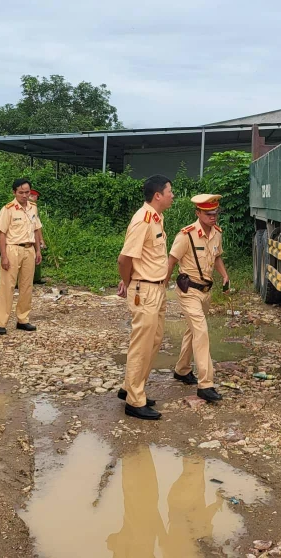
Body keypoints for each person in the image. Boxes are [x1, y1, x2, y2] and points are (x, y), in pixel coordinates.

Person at [116, 175, 174, 420]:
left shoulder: (156, 218)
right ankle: (134, 401)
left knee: (153, 341)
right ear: (157, 195)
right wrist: (129, 282)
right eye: (170, 191)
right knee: (141, 344)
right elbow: (124, 258)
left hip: (156, 288)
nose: (173, 195)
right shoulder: (143, 220)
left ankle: (132, 387)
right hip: (145, 289)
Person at [167, 194, 229, 403]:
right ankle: (206, 384)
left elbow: (217, 256)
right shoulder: (186, 235)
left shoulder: (217, 234)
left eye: (215, 213)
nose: (213, 217)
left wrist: (225, 275)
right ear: (198, 213)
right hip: (188, 291)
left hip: (206, 292)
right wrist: (161, 286)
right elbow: (171, 261)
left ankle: (182, 370)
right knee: (201, 331)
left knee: (192, 331)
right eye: (208, 214)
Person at [0, 178, 44, 335]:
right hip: (12, 249)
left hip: (28, 249)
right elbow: (1, 233)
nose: (24, 195)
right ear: (14, 192)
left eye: (27, 192)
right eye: (21, 192)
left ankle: (23, 319)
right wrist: (3, 256)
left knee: (26, 286)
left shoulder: (32, 208)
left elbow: (36, 230)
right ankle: (1, 322)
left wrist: (38, 250)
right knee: (7, 286)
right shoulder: (8, 209)